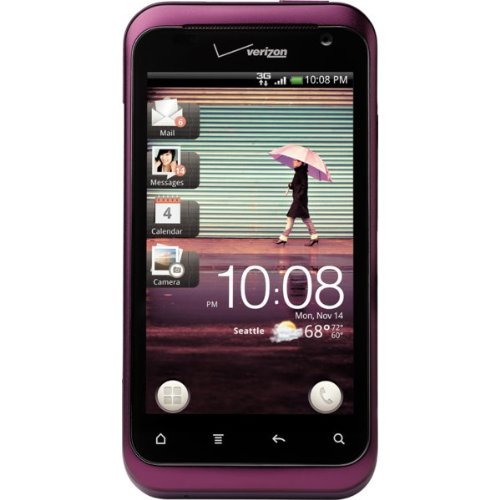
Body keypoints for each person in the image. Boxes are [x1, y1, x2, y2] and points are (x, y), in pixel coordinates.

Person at [275, 159, 319, 246]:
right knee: (306, 219)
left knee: (290, 217)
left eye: (295, 161)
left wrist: (298, 197)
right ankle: (314, 237)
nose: (293, 162)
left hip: (299, 201)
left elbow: (304, 186)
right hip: (300, 200)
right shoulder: (298, 172)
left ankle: (283, 238)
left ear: (300, 162)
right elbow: (297, 186)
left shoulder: (301, 172)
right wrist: (291, 186)